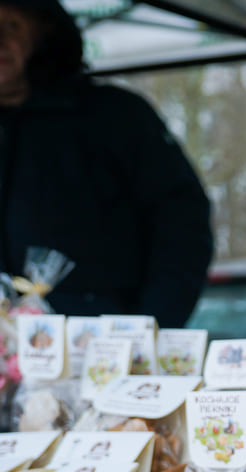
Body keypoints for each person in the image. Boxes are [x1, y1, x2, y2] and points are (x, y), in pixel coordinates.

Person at [0, 0, 212, 328]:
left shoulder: (114, 116)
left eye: (12, 26)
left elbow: (183, 225)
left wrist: (150, 326)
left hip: (99, 338)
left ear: (45, 33)